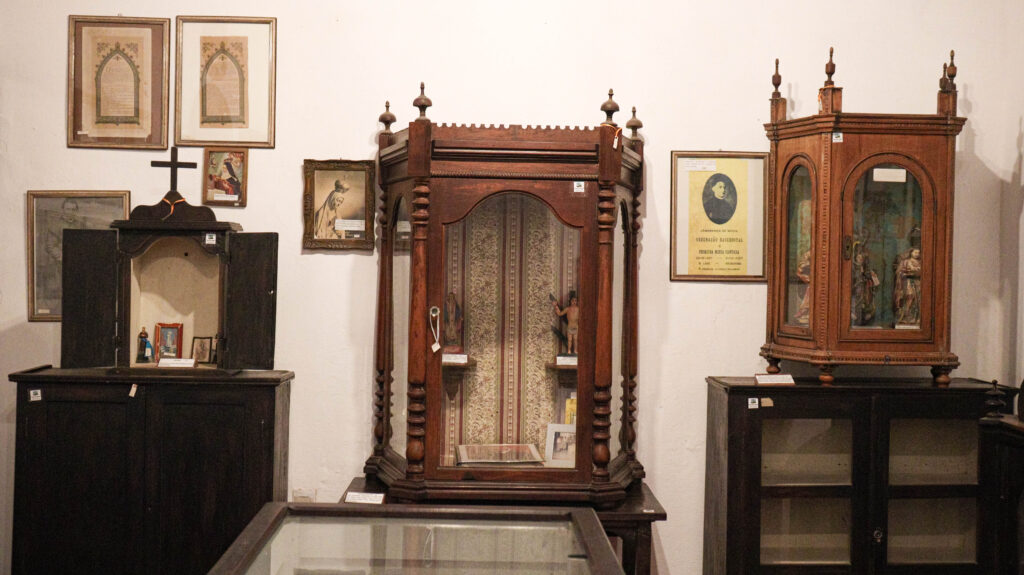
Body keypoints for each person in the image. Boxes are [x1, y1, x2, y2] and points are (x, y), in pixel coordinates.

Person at [893, 247, 922, 326]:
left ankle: (916, 318)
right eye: (915, 252)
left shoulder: (921, 262)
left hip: (918, 282)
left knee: (918, 299)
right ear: (911, 253)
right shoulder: (906, 262)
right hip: (907, 282)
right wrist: (905, 274)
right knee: (910, 297)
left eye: (918, 253)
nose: (917, 254)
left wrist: (917, 273)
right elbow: (899, 272)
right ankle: (906, 317)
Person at [552, 291, 580, 355]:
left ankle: (575, 350)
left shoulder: (578, 309)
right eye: (573, 301)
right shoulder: (567, 309)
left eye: (575, 301)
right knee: (569, 340)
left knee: (575, 340)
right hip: (570, 327)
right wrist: (556, 307)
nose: (574, 302)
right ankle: (569, 350)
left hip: (576, 327)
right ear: (570, 301)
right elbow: (560, 314)